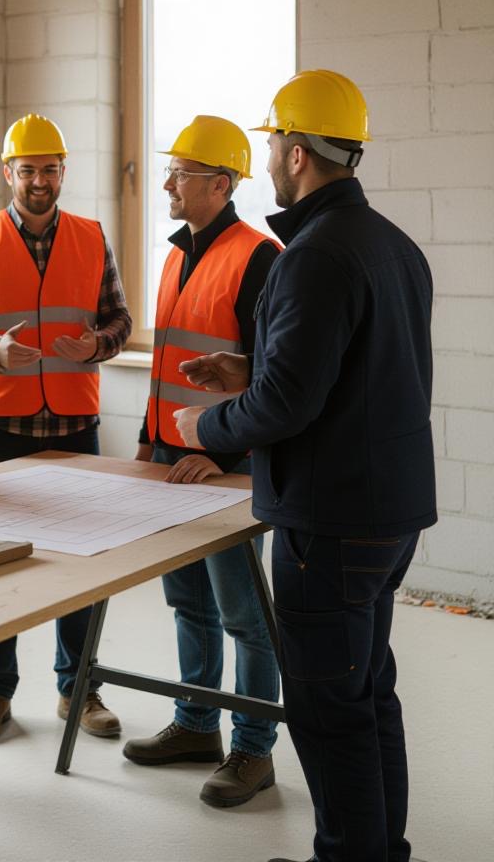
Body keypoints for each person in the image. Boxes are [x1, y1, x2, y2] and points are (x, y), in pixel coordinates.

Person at [173, 72, 436, 862]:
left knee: (328, 712)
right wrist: (250, 366)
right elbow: (350, 372)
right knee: (366, 695)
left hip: (331, 523)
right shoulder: (392, 244)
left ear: (294, 154)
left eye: (270, 148)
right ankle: (377, 851)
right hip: (387, 515)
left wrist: (207, 425)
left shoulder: (314, 254)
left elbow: (287, 409)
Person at [0, 112, 132, 743]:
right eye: (28, 170)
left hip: (75, 421)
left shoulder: (92, 236)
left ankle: (81, 687)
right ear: (8, 173)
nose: (40, 180)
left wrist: (97, 345)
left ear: (62, 172)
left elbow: (121, 320)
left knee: (81, 565)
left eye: (49, 169)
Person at [123, 115, 281, 809]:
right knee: (187, 601)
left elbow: (272, 378)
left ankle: (253, 749)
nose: (167, 184)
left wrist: (224, 453)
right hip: (168, 453)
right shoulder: (174, 255)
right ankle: (195, 725)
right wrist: (146, 436)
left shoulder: (261, 258)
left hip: (224, 461)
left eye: (181, 174)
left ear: (220, 183)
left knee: (244, 613)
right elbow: (165, 365)